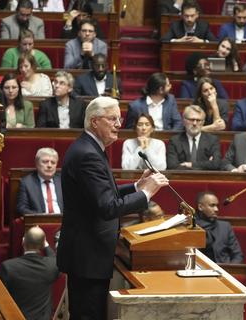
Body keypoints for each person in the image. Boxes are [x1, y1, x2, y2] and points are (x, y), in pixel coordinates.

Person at [56, 96, 169, 320]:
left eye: (120, 118)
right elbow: (107, 207)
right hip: (88, 257)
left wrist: (137, 186)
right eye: (113, 119)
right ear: (95, 121)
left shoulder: (90, 148)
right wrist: (147, 194)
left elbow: (103, 195)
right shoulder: (88, 154)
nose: (119, 124)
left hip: (88, 255)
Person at [0, 226, 59, 320]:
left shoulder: (8, 267)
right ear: (42, 244)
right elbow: (54, 258)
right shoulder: (52, 266)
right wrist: (46, 246)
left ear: (23, 242)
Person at [166, 105, 221, 170]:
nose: (195, 123)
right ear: (184, 121)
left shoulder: (212, 140)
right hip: (183, 178)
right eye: (191, 120)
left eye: (198, 120)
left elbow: (216, 164)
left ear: (203, 122)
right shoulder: (175, 140)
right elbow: (172, 165)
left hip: (205, 178)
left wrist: (190, 165)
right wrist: (206, 164)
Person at [194, 191, 244, 263]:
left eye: (217, 206)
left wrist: (229, 270)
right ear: (200, 207)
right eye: (212, 205)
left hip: (224, 270)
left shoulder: (225, 227)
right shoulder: (191, 228)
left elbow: (238, 255)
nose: (216, 209)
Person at [17, 147, 63, 215]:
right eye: (45, 162)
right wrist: (40, 217)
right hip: (38, 223)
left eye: (53, 163)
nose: (49, 165)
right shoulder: (27, 183)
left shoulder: (63, 181)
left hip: (63, 222)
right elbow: (21, 208)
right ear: (37, 163)